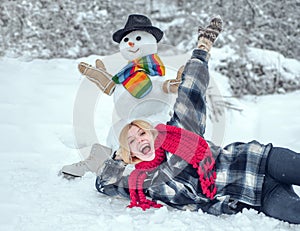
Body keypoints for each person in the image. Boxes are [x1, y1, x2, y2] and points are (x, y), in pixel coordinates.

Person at [95, 16, 300, 224]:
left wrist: (202, 49)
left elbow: (191, 91)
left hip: (260, 161)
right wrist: (117, 159)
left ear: (151, 132)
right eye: (131, 142)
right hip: (260, 197)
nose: (139, 139)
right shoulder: (144, 184)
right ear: (131, 154)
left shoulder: (178, 133)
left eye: (141, 132)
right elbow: (104, 183)